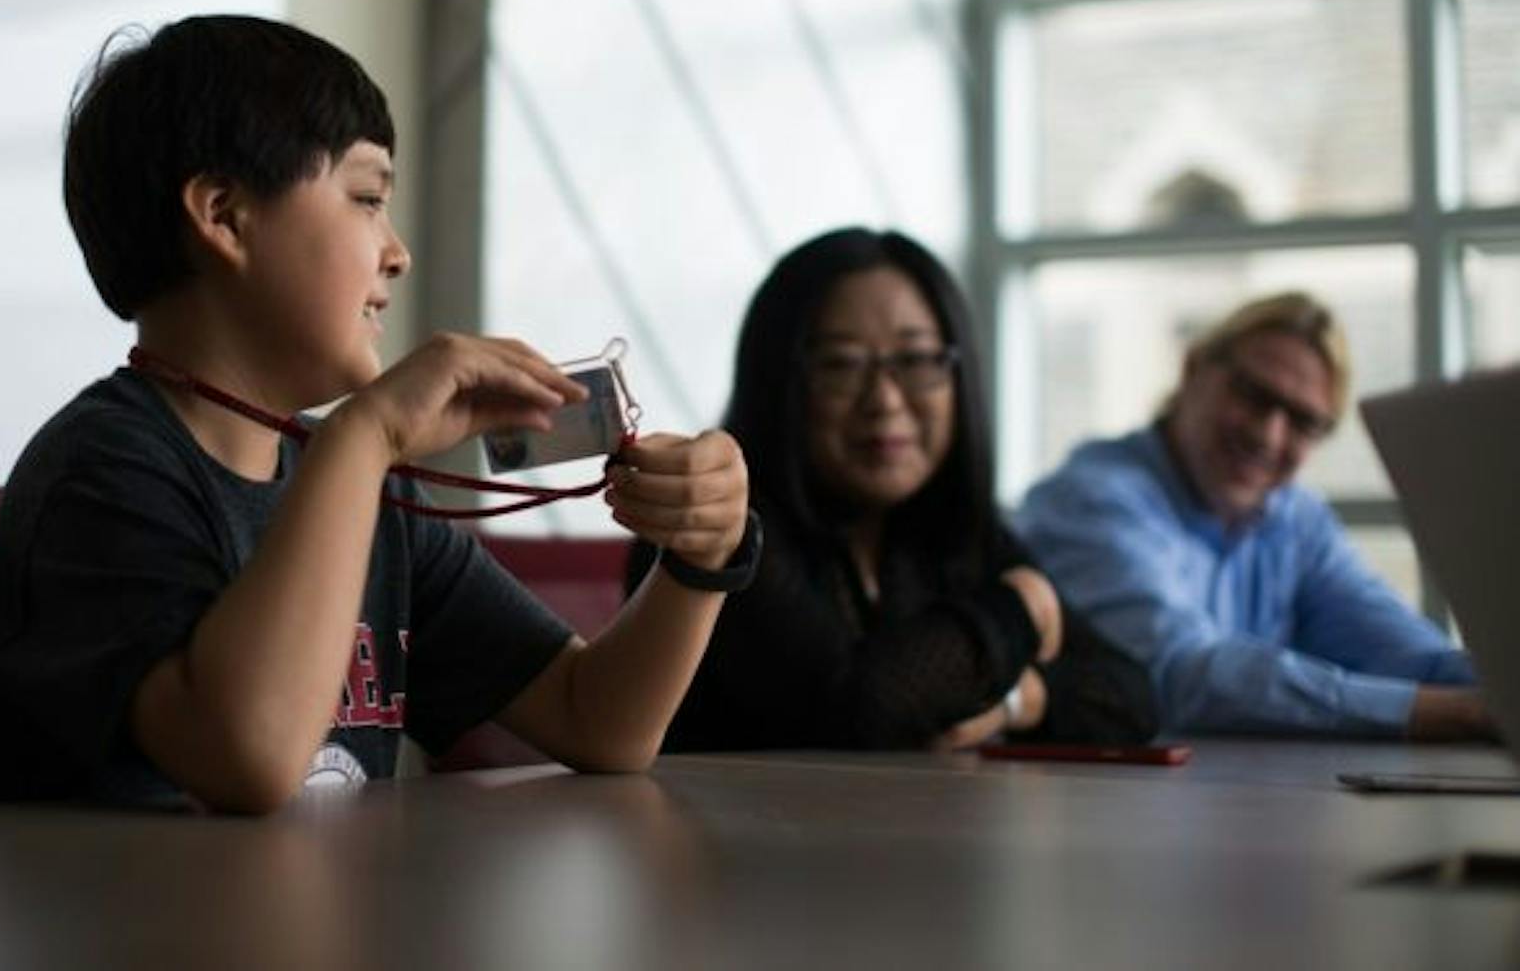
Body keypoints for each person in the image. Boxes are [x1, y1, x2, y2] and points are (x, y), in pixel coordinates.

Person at [0, 15, 760, 814]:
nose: (397, 251)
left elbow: (599, 721)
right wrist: (364, 433)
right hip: (127, 937)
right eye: (367, 198)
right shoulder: (100, 476)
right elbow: (250, 758)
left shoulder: (355, 485)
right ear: (224, 216)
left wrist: (703, 558)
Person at [628, 229, 1156, 751]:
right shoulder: (715, 528)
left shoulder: (950, 528)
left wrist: (1020, 699)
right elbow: (853, 715)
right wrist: (1020, 608)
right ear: (778, 382)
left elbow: (1133, 694)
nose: (884, 400)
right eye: (841, 364)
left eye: (916, 361)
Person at [1014, 292, 1490, 741]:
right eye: (1253, 396)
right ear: (1192, 369)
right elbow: (1176, 676)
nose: (1268, 434)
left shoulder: (1296, 520)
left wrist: (1498, 685)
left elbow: (1407, 653)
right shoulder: (1091, 500)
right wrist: (1455, 712)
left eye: (1302, 422)